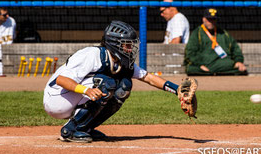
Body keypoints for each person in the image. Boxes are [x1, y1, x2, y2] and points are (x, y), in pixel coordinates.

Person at [43, 20, 195, 143]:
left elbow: (147, 77)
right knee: (107, 83)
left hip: (72, 96)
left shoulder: (121, 62)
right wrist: (87, 90)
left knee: (124, 85)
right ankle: (70, 130)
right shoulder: (92, 55)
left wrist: (177, 90)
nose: (130, 49)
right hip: (57, 98)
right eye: (127, 45)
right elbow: (61, 80)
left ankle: (85, 127)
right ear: (115, 44)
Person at [184, 8, 247, 76]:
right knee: (192, 69)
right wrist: (200, 64)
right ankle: (212, 71)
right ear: (203, 19)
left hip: (222, 63)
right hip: (204, 64)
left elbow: (235, 48)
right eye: (209, 19)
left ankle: (212, 71)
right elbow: (190, 53)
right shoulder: (197, 33)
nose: (211, 22)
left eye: (213, 19)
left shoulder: (223, 33)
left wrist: (239, 61)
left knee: (238, 67)